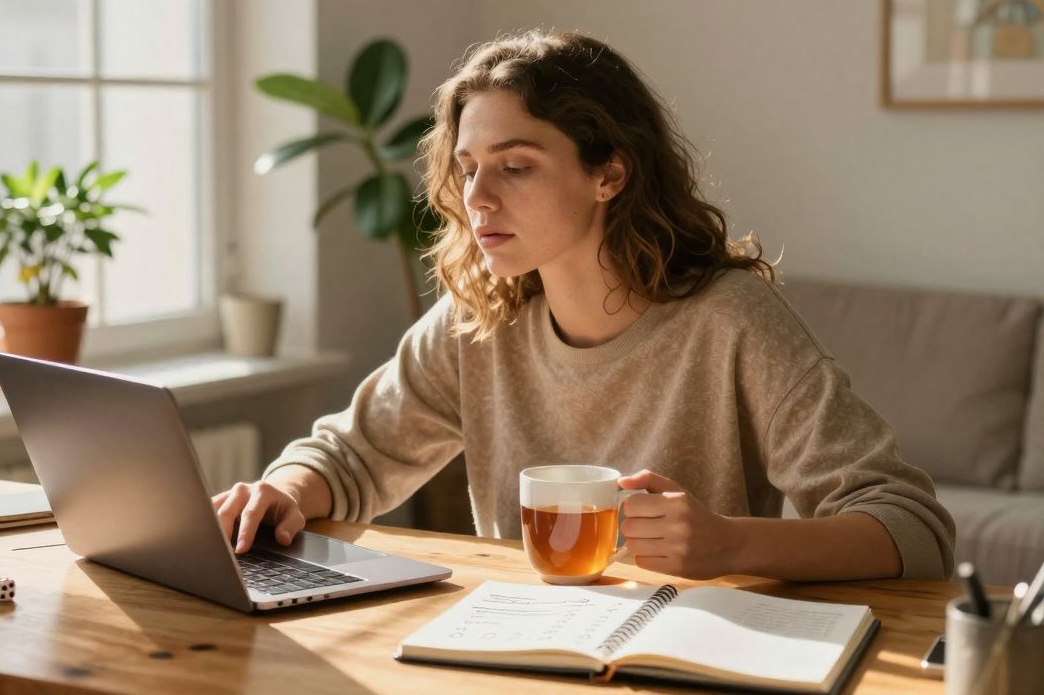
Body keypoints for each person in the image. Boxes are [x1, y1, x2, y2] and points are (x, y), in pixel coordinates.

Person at [214, 29, 955, 582]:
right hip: (516, 646)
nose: (477, 198)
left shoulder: (731, 321)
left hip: (694, 656)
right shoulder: (480, 321)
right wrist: (280, 492)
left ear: (609, 174)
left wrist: (730, 542)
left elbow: (914, 528)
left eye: (516, 165)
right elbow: (351, 454)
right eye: (468, 169)